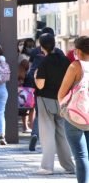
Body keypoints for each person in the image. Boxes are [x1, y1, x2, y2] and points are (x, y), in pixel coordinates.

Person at [35, 33, 75, 175]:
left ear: (42, 46)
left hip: (46, 99)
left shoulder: (44, 62)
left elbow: (40, 85)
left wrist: (35, 77)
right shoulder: (64, 60)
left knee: (47, 133)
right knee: (62, 134)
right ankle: (70, 166)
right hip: (63, 100)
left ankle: (47, 167)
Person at [27, 27, 64, 151]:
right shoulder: (60, 54)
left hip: (42, 92)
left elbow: (31, 70)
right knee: (60, 121)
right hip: (58, 93)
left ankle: (35, 134)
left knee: (41, 117)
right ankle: (61, 148)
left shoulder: (35, 53)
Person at [58, 36, 89, 183]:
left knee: (81, 155)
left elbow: (61, 94)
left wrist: (64, 108)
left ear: (77, 50)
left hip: (75, 116)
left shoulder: (75, 66)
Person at [18, 37, 36, 132]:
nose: (31, 48)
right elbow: (28, 66)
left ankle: (31, 125)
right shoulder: (22, 56)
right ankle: (25, 126)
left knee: (32, 106)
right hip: (25, 82)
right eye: (29, 46)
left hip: (32, 81)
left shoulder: (33, 56)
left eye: (32, 46)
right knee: (25, 105)